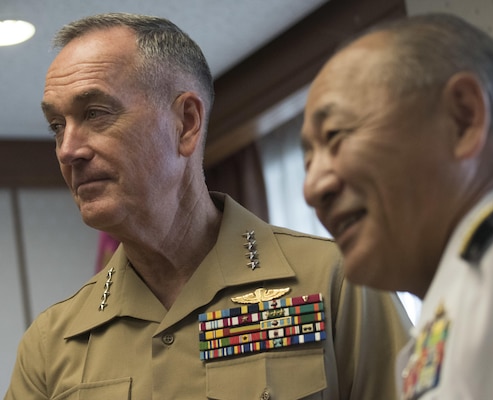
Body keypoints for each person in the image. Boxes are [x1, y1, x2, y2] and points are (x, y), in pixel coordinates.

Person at [4, 13, 412, 400]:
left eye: (95, 113)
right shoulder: (52, 344)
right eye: (57, 126)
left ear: (186, 123)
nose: (68, 150)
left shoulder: (335, 281)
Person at [301, 12, 493, 400]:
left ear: (463, 118)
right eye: (308, 160)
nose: (312, 188)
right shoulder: (460, 298)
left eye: (335, 135)